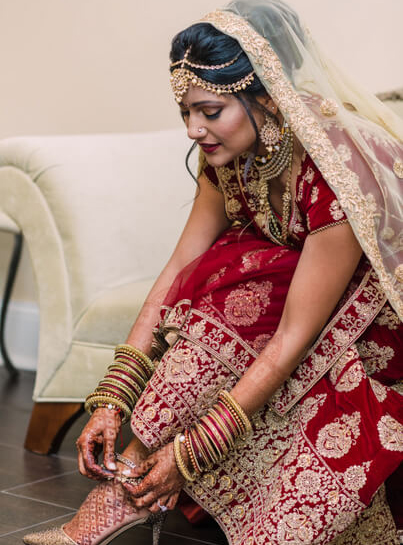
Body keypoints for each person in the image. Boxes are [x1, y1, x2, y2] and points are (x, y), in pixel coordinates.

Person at [23, 1, 403, 544]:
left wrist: (192, 453)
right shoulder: (229, 153)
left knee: (240, 297)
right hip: (288, 293)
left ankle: (131, 481)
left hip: (369, 319)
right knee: (228, 279)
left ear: (267, 96)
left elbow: (296, 331)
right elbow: (180, 265)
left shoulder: (335, 168)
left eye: (209, 110)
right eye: (185, 113)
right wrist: (112, 396)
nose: (193, 130)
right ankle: (129, 479)